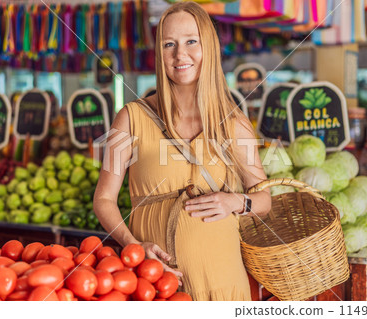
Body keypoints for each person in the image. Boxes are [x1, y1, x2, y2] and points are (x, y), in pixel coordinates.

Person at [93, 1, 271, 301]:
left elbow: (265, 199)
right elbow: (104, 199)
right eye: (169, 44)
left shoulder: (234, 124)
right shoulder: (129, 118)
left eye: (191, 41)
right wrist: (133, 246)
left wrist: (235, 201)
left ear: (209, 48)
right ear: (158, 53)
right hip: (158, 285)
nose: (180, 54)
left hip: (225, 284)